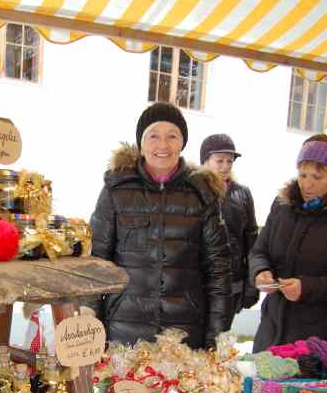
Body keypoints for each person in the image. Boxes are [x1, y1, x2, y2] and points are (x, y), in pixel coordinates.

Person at [90, 101, 232, 349]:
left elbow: (219, 270)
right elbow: (94, 263)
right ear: (141, 143)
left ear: (182, 142)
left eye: (172, 136)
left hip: (185, 336)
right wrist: (90, 327)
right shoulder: (116, 189)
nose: (163, 145)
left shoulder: (203, 193)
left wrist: (215, 338)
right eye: (153, 135)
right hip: (124, 334)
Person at [249, 133, 327, 351]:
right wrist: (260, 272)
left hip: (314, 341)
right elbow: (259, 251)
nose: (307, 184)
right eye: (303, 175)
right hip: (271, 331)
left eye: (317, 177)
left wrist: (307, 287)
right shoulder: (282, 205)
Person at [200, 134, 259, 323]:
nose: (225, 166)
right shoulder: (192, 191)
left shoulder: (242, 194)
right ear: (205, 161)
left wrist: (251, 286)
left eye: (230, 161)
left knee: (221, 336)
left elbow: (252, 242)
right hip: (198, 283)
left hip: (232, 285)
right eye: (219, 161)